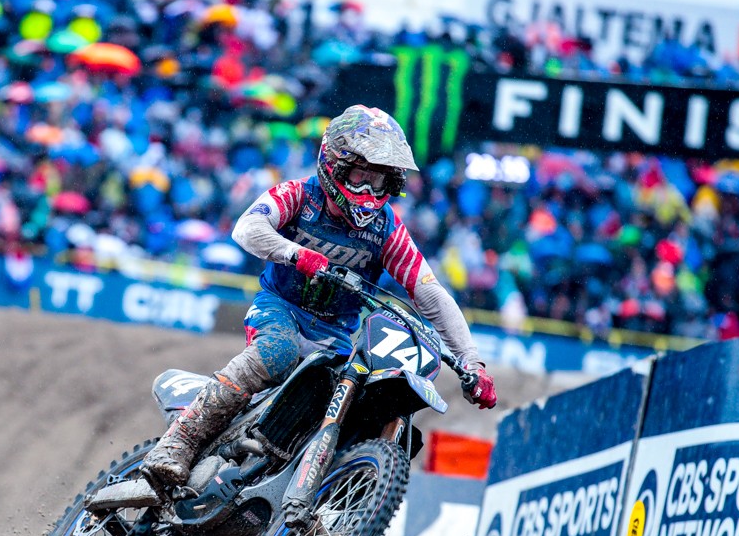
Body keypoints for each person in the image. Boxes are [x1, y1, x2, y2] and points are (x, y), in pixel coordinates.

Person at [142, 104, 497, 491]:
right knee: (276, 351)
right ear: (335, 167)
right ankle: (179, 442)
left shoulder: (387, 229)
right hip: (282, 309)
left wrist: (471, 361)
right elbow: (247, 228)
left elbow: (430, 292)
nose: (369, 191)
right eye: (361, 176)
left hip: (336, 334)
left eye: (379, 180)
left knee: (363, 399)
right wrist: (295, 253)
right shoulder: (299, 195)